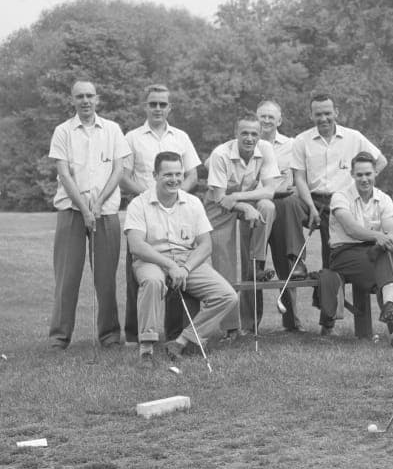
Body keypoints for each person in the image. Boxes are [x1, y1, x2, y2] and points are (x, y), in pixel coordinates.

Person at [124, 152, 239, 367]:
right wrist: (169, 265)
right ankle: (146, 348)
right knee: (153, 281)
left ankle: (181, 341)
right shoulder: (139, 204)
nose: (174, 179)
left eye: (178, 174)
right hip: (152, 260)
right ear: (155, 175)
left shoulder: (193, 202)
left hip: (187, 261)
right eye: (168, 174)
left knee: (227, 296)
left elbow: (206, 245)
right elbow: (137, 246)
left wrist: (185, 268)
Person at [46, 79, 131, 351]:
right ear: (73, 100)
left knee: (105, 278)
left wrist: (98, 204)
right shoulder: (63, 131)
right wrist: (84, 208)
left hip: (105, 213)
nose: (85, 101)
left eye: (90, 96)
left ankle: (109, 336)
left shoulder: (113, 130)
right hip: (71, 211)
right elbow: (63, 173)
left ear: (97, 99)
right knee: (67, 277)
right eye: (80, 96)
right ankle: (59, 337)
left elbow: (118, 171)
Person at [121, 84, 202, 343]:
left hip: (176, 212)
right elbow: (123, 176)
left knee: (177, 270)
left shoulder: (181, 137)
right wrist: (149, 196)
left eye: (162, 104)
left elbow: (192, 174)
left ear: (170, 107)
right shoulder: (132, 137)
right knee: (142, 276)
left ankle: (175, 332)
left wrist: (177, 194)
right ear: (145, 106)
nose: (157, 108)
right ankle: (137, 335)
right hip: (144, 214)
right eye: (152, 103)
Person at [315, 152, 393, 346]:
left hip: (373, 250)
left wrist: (384, 241)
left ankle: (391, 309)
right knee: (389, 268)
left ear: (376, 173)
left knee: (389, 253)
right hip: (344, 253)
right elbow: (351, 229)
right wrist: (379, 237)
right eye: (359, 175)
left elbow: (391, 234)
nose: (364, 179)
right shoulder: (340, 197)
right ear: (352, 174)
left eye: (368, 174)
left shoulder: (383, 199)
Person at [204, 115, 282, 341]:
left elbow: (269, 191)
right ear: (236, 133)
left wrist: (240, 198)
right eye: (244, 133)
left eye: (254, 134)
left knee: (267, 207)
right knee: (225, 265)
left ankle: (256, 263)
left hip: (241, 198)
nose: (249, 138)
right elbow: (220, 197)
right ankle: (230, 328)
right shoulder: (220, 154)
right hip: (219, 207)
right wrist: (241, 206)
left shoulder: (265, 149)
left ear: (260, 135)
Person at [290, 93, 388, 270]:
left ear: (336, 112)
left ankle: (326, 293)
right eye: (318, 114)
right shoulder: (301, 140)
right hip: (311, 199)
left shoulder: (354, 137)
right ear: (310, 116)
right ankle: (295, 262)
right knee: (288, 206)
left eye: (327, 113)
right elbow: (299, 178)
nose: (323, 118)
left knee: (332, 253)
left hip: (342, 201)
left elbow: (381, 161)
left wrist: (363, 182)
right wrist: (311, 207)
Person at [257, 99, 307, 330]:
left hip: (285, 208)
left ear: (280, 120)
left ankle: (292, 322)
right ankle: (251, 324)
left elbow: (302, 177)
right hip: (256, 207)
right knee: (254, 266)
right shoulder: (248, 142)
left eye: (271, 117)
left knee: (287, 262)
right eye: (262, 116)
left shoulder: (293, 144)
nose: (266, 121)